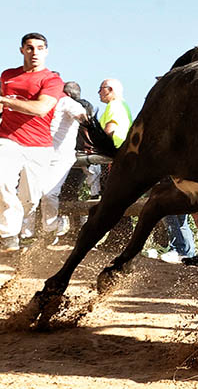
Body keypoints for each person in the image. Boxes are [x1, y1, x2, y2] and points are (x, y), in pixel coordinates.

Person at [0, 33, 65, 252]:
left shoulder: (52, 80)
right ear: (22, 50)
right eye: (29, 48)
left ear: (46, 51)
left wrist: (4, 100)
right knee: (2, 182)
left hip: (38, 145)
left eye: (39, 48)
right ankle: (8, 235)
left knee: (30, 199)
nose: (34, 52)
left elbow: (41, 108)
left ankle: (19, 230)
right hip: (8, 139)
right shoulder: (8, 75)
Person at [21, 81, 87, 243]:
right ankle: (26, 234)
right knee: (29, 194)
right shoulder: (39, 103)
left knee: (49, 193)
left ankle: (50, 229)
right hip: (38, 155)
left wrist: (86, 124)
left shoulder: (68, 102)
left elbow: (83, 118)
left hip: (60, 158)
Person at [97, 78, 132, 149]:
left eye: (101, 89)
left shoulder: (114, 104)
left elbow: (110, 130)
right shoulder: (123, 104)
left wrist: (99, 147)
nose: (99, 92)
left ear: (110, 89)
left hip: (113, 149)